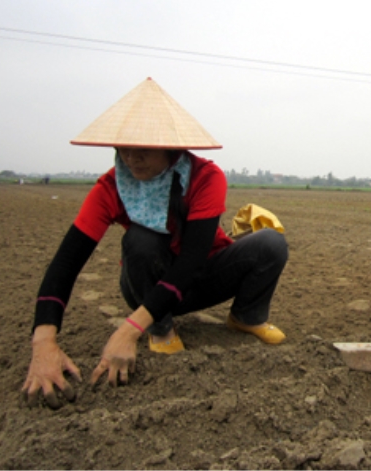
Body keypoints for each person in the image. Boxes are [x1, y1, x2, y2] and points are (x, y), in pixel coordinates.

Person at [22, 78, 288, 407]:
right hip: (147, 284)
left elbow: (191, 261)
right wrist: (44, 341)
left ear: (171, 147)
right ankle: (159, 328)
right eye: (124, 148)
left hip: (196, 277)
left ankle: (246, 317)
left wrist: (127, 330)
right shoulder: (109, 188)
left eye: (144, 148)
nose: (132, 158)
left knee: (271, 244)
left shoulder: (206, 178)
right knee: (140, 239)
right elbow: (66, 263)